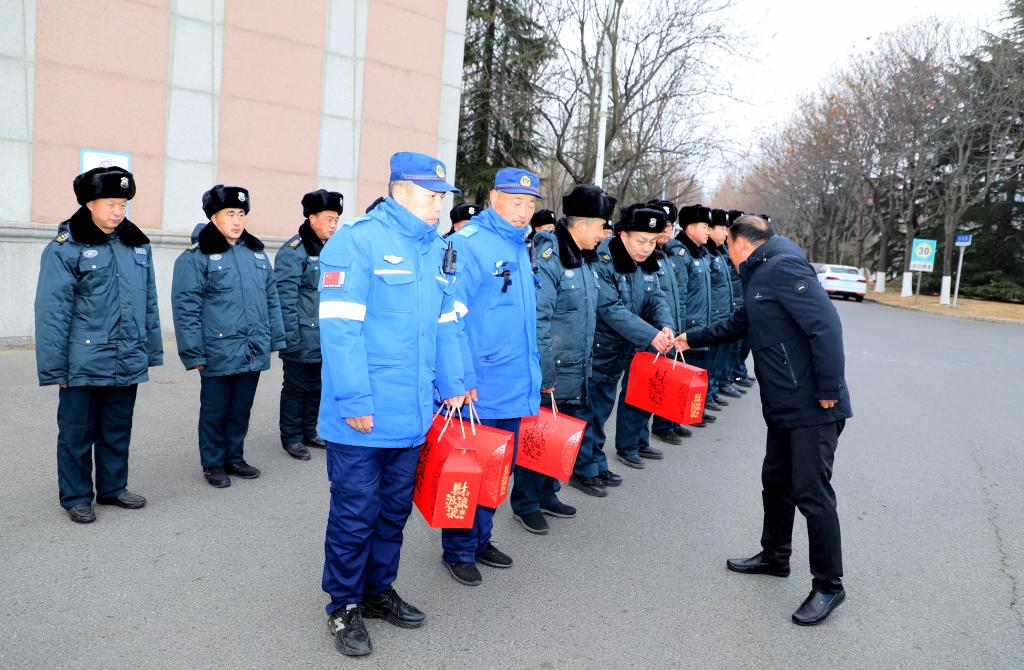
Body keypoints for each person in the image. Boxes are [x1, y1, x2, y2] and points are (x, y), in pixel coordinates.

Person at [317, 152, 467, 657]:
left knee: (393, 513)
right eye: (431, 196)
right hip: (363, 415)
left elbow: (446, 325)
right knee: (355, 515)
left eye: (442, 197)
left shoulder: (437, 249)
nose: (439, 206)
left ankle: (377, 591)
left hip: (413, 414)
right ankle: (343, 605)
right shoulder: (357, 241)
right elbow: (340, 329)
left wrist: (455, 383)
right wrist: (354, 399)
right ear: (400, 191)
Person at [676, 216, 853, 626]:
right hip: (785, 402)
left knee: (811, 492)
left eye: (727, 247)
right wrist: (692, 337)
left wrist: (828, 386)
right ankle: (775, 556)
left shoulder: (782, 267)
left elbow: (826, 326)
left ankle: (829, 585)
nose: (727, 254)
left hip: (812, 404)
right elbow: (743, 322)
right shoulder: (761, 272)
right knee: (776, 481)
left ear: (740, 243)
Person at [34, 167, 161, 523]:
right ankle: (76, 496)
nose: (118, 211)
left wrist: (150, 350)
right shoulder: (66, 248)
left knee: (117, 428)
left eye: (123, 204)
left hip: (127, 355)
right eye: (111, 203)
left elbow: (148, 301)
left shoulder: (137, 245)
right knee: (77, 433)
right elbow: (52, 311)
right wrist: (56, 368)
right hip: (82, 360)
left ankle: (113, 488)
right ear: (89, 203)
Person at [442, 167, 543, 583]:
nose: (524, 211)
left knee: (497, 470)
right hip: (480, 385)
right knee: (467, 471)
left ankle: (481, 539)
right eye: (516, 202)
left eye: (530, 204)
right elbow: (449, 317)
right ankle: (458, 549)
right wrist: (459, 378)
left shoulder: (520, 244)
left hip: (515, 382)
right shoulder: (468, 244)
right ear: (493, 198)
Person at [171, 185, 286, 488]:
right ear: (213, 217)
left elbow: (271, 298)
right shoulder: (197, 257)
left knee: (240, 408)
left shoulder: (256, 254)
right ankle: (213, 463)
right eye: (230, 214)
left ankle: (234, 457)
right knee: (215, 410)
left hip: (252, 346)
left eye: (241, 214)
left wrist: (275, 338)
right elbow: (186, 308)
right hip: (217, 350)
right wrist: (193, 353)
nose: (237, 221)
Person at [533, 184, 615, 505]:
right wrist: (546, 373)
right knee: (539, 437)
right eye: (600, 227)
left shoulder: (585, 258)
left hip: (578, 368)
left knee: (562, 436)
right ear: (581, 225)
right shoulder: (551, 257)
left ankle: (548, 495)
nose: (603, 234)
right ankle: (527, 503)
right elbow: (539, 320)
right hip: (554, 370)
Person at [584, 204, 674, 473]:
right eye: (641, 241)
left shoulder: (645, 262)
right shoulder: (603, 260)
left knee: (610, 406)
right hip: (601, 347)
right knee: (595, 410)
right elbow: (610, 309)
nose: (647, 248)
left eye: (652, 242)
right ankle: (587, 468)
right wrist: (650, 334)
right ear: (623, 236)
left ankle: (597, 463)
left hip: (627, 345)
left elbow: (656, 296)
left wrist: (665, 326)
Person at [274, 189, 342, 460]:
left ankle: (308, 431)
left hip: (325, 335)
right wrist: (290, 338)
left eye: (336, 220)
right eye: (328, 219)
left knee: (317, 386)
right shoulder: (293, 252)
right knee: (296, 387)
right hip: (301, 334)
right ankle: (291, 437)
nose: (333, 225)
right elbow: (285, 298)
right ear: (312, 218)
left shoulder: (332, 249)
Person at [645, 199, 691, 445]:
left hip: (669, 328)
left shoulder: (667, 256)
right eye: (662, 224)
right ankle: (633, 443)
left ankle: (664, 424)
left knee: (667, 380)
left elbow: (676, 297)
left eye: (670, 224)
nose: (666, 229)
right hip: (651, 334)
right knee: (645, 389)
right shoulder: (645, 256)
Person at [673, 205, 717, 426]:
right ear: (690, 228)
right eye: (704, 226)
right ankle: (670, 420)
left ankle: (691, 412)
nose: (708, 231)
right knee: (681, 375)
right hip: (687, 326)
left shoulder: (701, 252)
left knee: (696, 373)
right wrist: (681, 329)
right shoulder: (681, 253)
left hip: (701, 324)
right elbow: (680, 295)